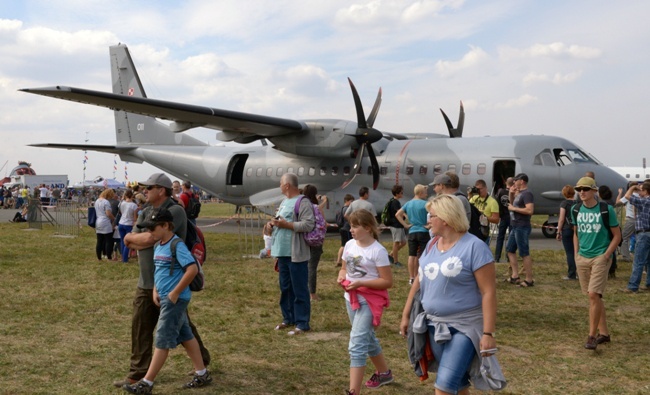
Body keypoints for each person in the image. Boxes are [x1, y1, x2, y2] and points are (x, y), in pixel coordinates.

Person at [115, 173, 210, 388]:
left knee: (179, 329)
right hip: (149, 281)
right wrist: (134, 239)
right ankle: (137, 373)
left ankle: (149, 379)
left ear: (162, 190)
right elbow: (131, 240)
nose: (145, 191)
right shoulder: (147, 211)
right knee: (142, 327)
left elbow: (150, 238)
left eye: (150, 187)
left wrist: (136, 239)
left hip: (171, 284)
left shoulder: (174, 211)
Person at [399, 194, 500, 394]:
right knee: (459, 384)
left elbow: (488, 292)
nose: (428, 220)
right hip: (433, 326)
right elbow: (419, 280)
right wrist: (405, 314)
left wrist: (488, 333)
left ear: (445, 218)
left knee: (444, 386)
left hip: (465, 327)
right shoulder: (431, 244)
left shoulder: (475, 247)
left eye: (432, 215)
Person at [337, 209, 394, 395]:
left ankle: (353, 391)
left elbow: (387, 281)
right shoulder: (349, 245)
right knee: (367, 339)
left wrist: (361, 283)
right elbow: (344, 269)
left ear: (368, 228)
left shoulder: (378, 251)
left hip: (369, 302)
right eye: (350, 225)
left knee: (357, 345)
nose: (351, 229)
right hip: (351, 299)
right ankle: (384, 373)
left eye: (355, 226)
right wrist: (341, 276)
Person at [570, 177, 621, 350]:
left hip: (601, 256)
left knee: (593, 295)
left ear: (594, 191)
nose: (582, 192)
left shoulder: (606, 210)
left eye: (585, 189)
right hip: (582, 257)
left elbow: (617, 235)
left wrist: (607, 255)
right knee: (594, 297)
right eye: (579, 189)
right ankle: (604, 333)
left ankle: (592, 336)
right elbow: (575, 232)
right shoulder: (575, 209)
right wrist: (576, 253)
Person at [269, 173, 315, 335]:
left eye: (281, 183)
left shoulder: (303, 202)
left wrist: (286, 225)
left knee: (299, 288)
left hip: (296, 254)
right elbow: (281, 222)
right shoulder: (284, 202)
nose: (280, 186)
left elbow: (309, 224)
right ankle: (288, 318)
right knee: (286, 288)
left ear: (287, 185)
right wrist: (273, 225)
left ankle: (302, 323)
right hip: (282, 253)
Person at [396, 184, 430, 285]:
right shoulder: (426, 204)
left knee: (412, 255)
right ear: (420, 193)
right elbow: (435, 214)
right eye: (425, 192)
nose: (427, 194)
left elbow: (397, 214)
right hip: (423, 231)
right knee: (422, 255)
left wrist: (405, 225)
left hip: (412, 231)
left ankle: (411, 277)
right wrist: (429, 226)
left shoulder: (408, 204)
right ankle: (420, 275)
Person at [506, 173, 535, 287]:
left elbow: (529, 210)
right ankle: (515, 276)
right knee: (510, 249)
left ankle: (529, 279)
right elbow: (512, 203)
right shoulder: (519, 193)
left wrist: (513, 208)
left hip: (522, 226)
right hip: (515, 225)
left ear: (522, 181)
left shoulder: (527, 194)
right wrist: (511, 193)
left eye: (516, 180)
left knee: (524, 252)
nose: (514, 182)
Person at [622, 181, 650, 293]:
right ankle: (648, 283)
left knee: (638, 261)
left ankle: (633, 286)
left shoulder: (644, 201)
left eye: (641, 190)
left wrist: (633, 187)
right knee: (649, 261)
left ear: (645, 191)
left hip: (643, 233)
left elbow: (627, 196)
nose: (639, 192)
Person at [303, 184, 327, 301]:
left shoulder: (302, 207)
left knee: (302, 266)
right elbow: (324, 223)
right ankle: (312, 293)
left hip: (303, 240)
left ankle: (302, 290)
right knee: (312, 267)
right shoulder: (317, 208)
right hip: (316, 241)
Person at [468, 179, 500, 244]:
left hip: (483, 231)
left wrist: (484, 217)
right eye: (477, 189)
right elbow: (467, 208)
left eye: (480, 189)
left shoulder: (492, 202)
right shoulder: (474, 198)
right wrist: (470, 195)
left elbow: (496, 220)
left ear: (485, 188)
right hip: (472, 231)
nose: (478, 191)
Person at [556, 185, 577, 280]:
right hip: (577, 229)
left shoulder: (564, 203)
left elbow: (561, 219)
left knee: (570, 252)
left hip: (567, 229)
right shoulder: (578, 203)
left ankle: (572, 273)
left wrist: (558, 231)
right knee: (578, 251)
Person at [386, 185, 407, 267]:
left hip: (399, 225)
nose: (402, 194)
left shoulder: (396, 201)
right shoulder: (395, 202)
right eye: (401, 192)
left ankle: (390, 255)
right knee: (396, 243)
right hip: (395, 225)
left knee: (404, 242)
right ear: (397, 193)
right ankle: (395, 261)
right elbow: (400, 213)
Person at [494, 177, 513, 262]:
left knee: (500, 237)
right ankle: (509, 256)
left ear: (506, 183)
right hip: (511, 216)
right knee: (511, 237)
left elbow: (497, 203)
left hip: (503, 217)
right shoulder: (513, 193)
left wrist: (500, 214)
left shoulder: (500, 192)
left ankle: (497, 256)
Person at [94, 188, 116, 261]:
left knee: (99, 240)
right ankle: (109, 256)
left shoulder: (97, 201)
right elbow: (108, 213)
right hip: (105, 221)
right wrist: (114, 218)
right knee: (108, 240)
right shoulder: (106, 202)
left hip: (98, 221)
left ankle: (99, 257)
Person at [118, 189, 139, 263]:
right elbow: (135, 217)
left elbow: (121, 212)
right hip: (129, 223)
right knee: (128, 242)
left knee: (122, 240)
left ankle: (122, 256)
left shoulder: (121, 203)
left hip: (121, 222)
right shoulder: (134, 205)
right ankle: (125, 258)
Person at [336, 194, 355, 267]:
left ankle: (338, 260)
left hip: (342, 228)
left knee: (343, 245)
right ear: (347, 201)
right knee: (348, 245)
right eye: (351, 201)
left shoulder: (342, 208)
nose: (352, 203)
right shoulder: (347, 209)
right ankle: (346, 260)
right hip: (347, 229)